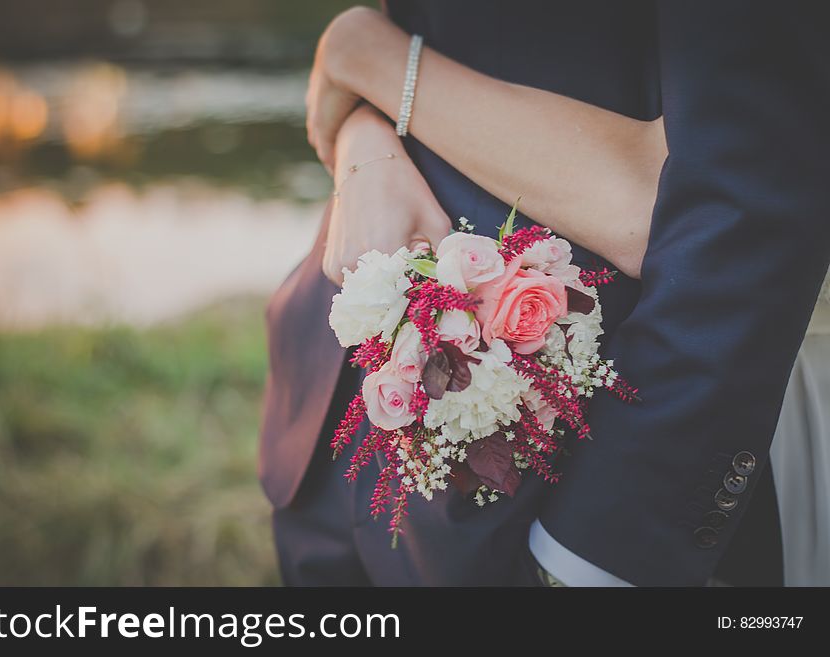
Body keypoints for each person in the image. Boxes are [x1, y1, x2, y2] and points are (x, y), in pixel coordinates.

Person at [260, 1, 830, 585]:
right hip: (331, 413)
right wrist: (364, 130)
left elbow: (739, 187)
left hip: (564, 466)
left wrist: (594, 558)